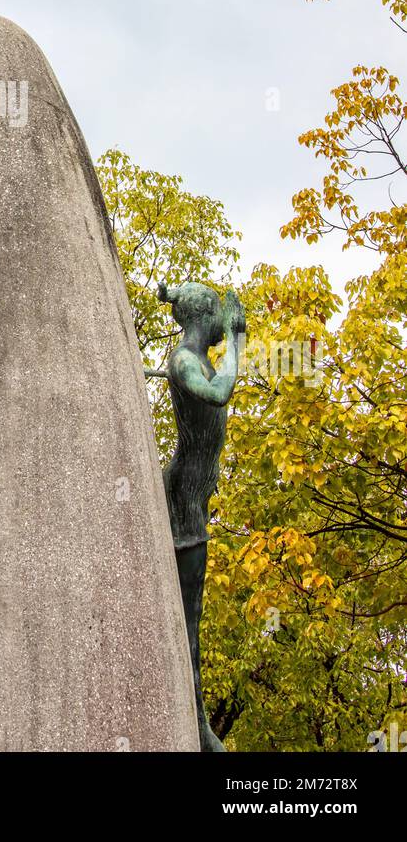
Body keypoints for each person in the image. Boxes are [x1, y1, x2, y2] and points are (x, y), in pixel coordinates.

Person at [156, 279, 246, 751]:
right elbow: (219, 395)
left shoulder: (200, 360)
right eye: (218, 315)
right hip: (184, 503)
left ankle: (196, 720)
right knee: (187, 617)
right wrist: (238, 339)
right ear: (206, 314)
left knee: (190, 615)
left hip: (194, 496)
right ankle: (198, 726)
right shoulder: (185, 361)